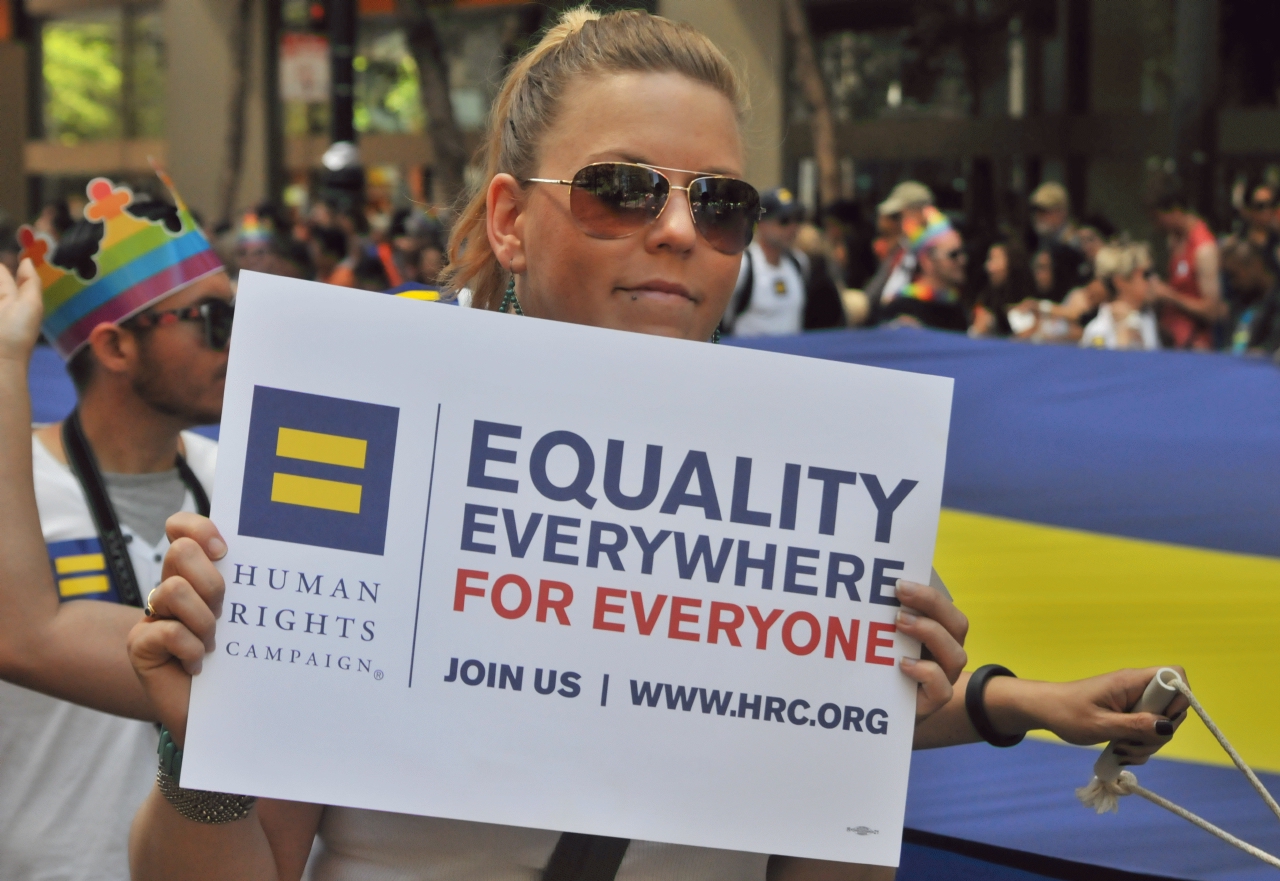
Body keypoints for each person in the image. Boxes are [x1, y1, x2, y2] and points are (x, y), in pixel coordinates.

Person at [0, 10, 1187, 881]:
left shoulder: (815, 497)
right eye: (624, 189)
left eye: (719, 204)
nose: (678, 231)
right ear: (512, 221)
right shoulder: (380, 456)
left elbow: (752, 759)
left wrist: (917, 708)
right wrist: (198, 750)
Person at [0, 174, 229, 881]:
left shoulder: (239, 485)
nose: (239, 341)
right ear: (116, 347)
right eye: (211, 321)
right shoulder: (17, 491)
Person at [722, 187, 809, 336]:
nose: (793, 227)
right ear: (761, 223)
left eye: (798, 219)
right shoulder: (743, 266)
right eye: (784, 220)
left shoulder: (799, 263)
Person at [1151, 190, 1224, 350]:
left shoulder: (1204, 249)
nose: (1157, 225)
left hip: (1194, 343)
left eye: (1159, 218)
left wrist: (1170, 296)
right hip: (1172, 336)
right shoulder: (1174, 240)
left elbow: (1212, 311)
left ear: (1175, 211)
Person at [877, 206, 968, 332]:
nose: (962, 260)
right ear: (926, 261)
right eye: (953, 255)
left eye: (963, 252)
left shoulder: (957, 306)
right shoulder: (901, 308)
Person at [865, 180, 933, 315]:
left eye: (900, 215)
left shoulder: (932, 252)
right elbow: (874, 292)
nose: (899, 223)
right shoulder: (902, 248)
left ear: (920, 214)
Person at [1080, 243, 1160, 351]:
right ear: (1120, 281)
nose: (1153, 281)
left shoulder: (1148, 318)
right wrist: (1123, 331)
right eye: (1146, 275)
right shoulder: (1098, 329)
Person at [1029, 182, 1090, 302]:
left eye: (1045, 211)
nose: (1038, 216)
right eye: (1036, 211)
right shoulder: (1043, 241)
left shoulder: (1076, 243)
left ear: (1061, 212)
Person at [1221, 237, 1280, 356]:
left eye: (1235, 275)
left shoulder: (1276, 301)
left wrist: (1265, 350)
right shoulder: (1241, 301)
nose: (1233, 283)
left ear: (1256, 265)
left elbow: (1272, 345)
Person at [970, 238, 1034, 338]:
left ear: (1012, 263)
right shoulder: (986, 299)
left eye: (993, 259)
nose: (988, 267)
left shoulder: (1031, 303)